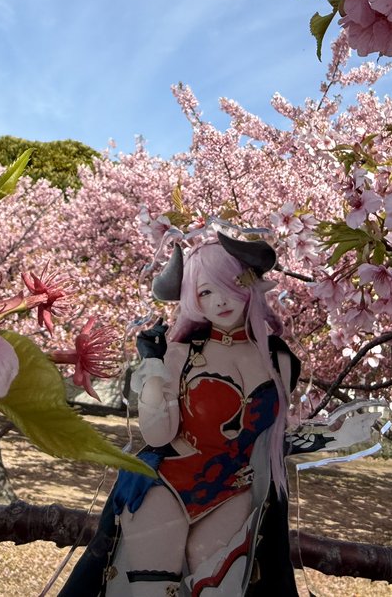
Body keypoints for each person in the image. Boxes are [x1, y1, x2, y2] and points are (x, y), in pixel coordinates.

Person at [60, 232, 301, 597]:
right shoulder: (182, 353)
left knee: (217, 585)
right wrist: (155, 365)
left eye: (230, 284)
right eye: (204, 292)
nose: (219, 301)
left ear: (252, 282)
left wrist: (331, 437)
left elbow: (276, 435)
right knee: (150, 587)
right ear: (192, 300)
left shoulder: (279, 359)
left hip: (239, 488)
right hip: (169, 479)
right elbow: (158, 434)